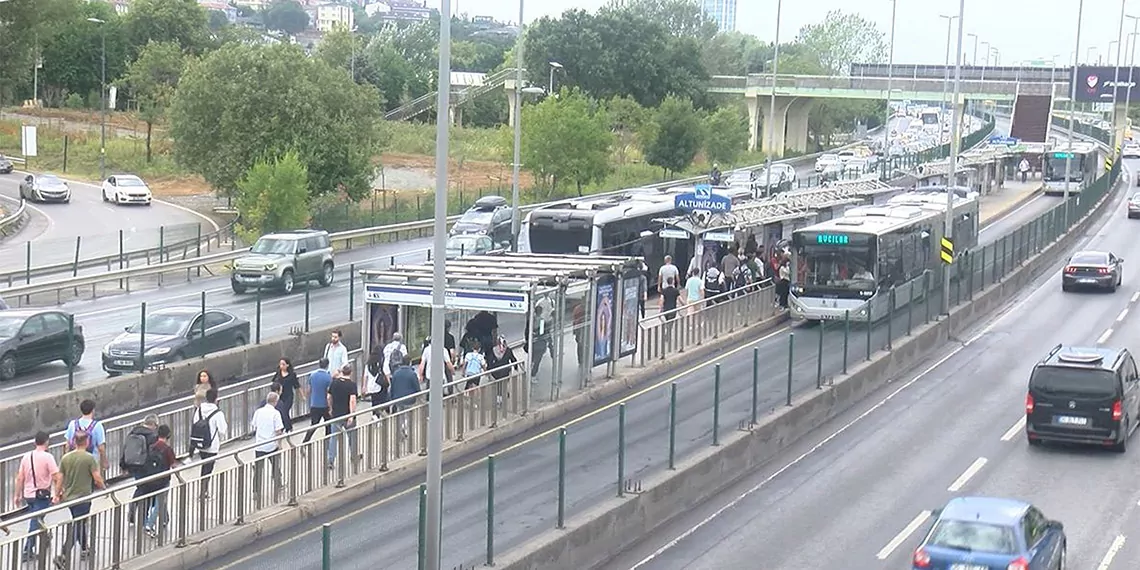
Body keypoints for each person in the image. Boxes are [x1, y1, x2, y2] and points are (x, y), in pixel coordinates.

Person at [53, 430, 104, 566]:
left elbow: (59, 479)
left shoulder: (66, 458)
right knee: (79, 523)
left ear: (74, 442)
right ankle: (63, 553)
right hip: (83, 497)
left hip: (69, 497)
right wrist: (104, 487)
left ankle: (84, 548)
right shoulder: (89, 458)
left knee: (79, 521)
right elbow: (97, 477)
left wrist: (56, 495)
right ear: (87, 442)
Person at [13, 431, 59, 562]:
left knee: (36, 516)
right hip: (42, 495)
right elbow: (56, 476)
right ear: (47, 442)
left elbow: (20, 477)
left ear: (35, 442)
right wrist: (58, 493)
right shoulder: (48, 457)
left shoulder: (26, 457)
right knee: (35, 520)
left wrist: (17, 495)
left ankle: (44, 535)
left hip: (29, 494)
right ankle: (27, 550)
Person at [121, 414, 158, 525]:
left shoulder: (133, 432)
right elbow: (153, 454)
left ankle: (132, 511)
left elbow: (126, 449)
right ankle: (144, 519)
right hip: (145, 467)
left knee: (140, 488)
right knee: (148, 491)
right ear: (153, 424)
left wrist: (123, 466)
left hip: (133, 466)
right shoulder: (152, 436)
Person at [141, 425, 177, 538]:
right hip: (163, 480)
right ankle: (149, 525)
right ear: (168, 436)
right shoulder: (167, 449)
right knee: (159, 502)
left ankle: (165, 519)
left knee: (159, 500)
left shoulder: (151, 447)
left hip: (151, 478)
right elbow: (173, 465)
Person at [193, 388, 227, 499]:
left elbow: (195, 423)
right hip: (212, 445)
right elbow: (222, 430)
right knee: (209, 468)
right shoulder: (218, 413)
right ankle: (204, 490)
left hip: (201, 443)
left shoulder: (199, 410)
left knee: (204, 465)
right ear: (216, 399)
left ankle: (204, 489)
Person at [250, 392, 284, 498]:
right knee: (275, 465)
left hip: (260, 444)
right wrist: (279, 443)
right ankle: (278, 483)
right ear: (276, 402)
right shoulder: (276, 413)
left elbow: (254, 425)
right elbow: (278, 430)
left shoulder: (258, 412)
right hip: (272, 444)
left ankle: (256, 490)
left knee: (258, 469)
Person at [326, 363, 358, 471]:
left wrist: (330, 409)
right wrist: (351, 416)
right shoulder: (352, 385)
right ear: (351, 372)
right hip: (347, 415)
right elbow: (352, 400)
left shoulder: (334, 383)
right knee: (352, 436)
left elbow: (329, 397)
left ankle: (331, 460)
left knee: (333, 438)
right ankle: (354, 456)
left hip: (336, 414)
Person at [65, 399, 107, 473]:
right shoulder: (97, 426)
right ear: (93, 410)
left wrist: (66, 460)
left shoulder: (72, 424)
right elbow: (101, 447)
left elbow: (67, 445)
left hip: (75, 461)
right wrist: (104, 461)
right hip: (92, 460)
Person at [301, 358, 333, 445]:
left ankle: (305, 441)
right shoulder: (328, 377)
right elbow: (328, 393)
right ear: (327, 365)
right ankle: (327, 441)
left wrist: (306, 398)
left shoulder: (312, 375)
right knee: (328, 424)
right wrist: (330, 407)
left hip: (314, 404)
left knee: (314, 424)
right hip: (324, 405)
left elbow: (309, 389)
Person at [271, 358, 300, 432]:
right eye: (280, 364)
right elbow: (273, 382)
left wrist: (302, 395)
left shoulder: (292, 375)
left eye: (283, 364)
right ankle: (284, 426)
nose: (281, 366)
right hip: (280, 396)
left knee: (285, 410)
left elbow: (297, 385)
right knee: (281, 411)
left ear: (287, 365)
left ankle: (288, 427)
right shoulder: (278, 373)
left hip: (288, 396)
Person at [364, 351, 388, 418]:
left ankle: (374, 415)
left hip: (371, 387)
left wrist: (364, 386)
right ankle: (380, 414)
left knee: (374, 402)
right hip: (379, 385)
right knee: (381, 401)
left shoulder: (368, 365)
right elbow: (386, 373)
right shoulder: (380, 364)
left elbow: (365, 376)